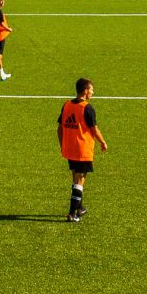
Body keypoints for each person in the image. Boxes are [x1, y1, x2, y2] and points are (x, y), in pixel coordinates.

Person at [58, 78, 108, 223]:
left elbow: (59, 128)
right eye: (91, 89)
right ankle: (72, 214)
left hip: (70, 149)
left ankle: (79, 208)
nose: (93, 92)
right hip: (82, 150)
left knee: (76, 178)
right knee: (80, 180)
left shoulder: (67, 105)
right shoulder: (87, 108)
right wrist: (103, 142)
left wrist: (63, 145)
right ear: (85, 91)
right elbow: (94, 129)